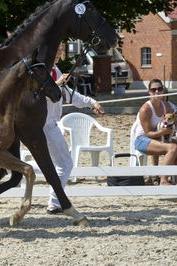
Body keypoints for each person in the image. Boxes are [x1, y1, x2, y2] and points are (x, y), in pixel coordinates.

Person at [45, 65, 105, 214]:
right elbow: (38, 94)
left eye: (60, 49)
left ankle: (55, 202)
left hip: (51, 124)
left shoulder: (56, 70)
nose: (59, 52)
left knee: (61, 164)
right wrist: (57, 83)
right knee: (64, 164)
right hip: (44, 126)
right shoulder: (40, 69)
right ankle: (54, 203)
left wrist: (92, 103)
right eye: (56, 48)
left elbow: (69, 94)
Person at [134, 79, 177, 185]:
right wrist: (163, 132)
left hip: (159, 137)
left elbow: (176, 125)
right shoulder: (145, 109)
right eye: (154, 90)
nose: (157, 92)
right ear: (149, 92)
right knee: (173, 147)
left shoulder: (167, 106)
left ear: (163, 91)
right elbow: (148, 133)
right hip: (142, 140)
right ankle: (163, 180)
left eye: (160, 89)